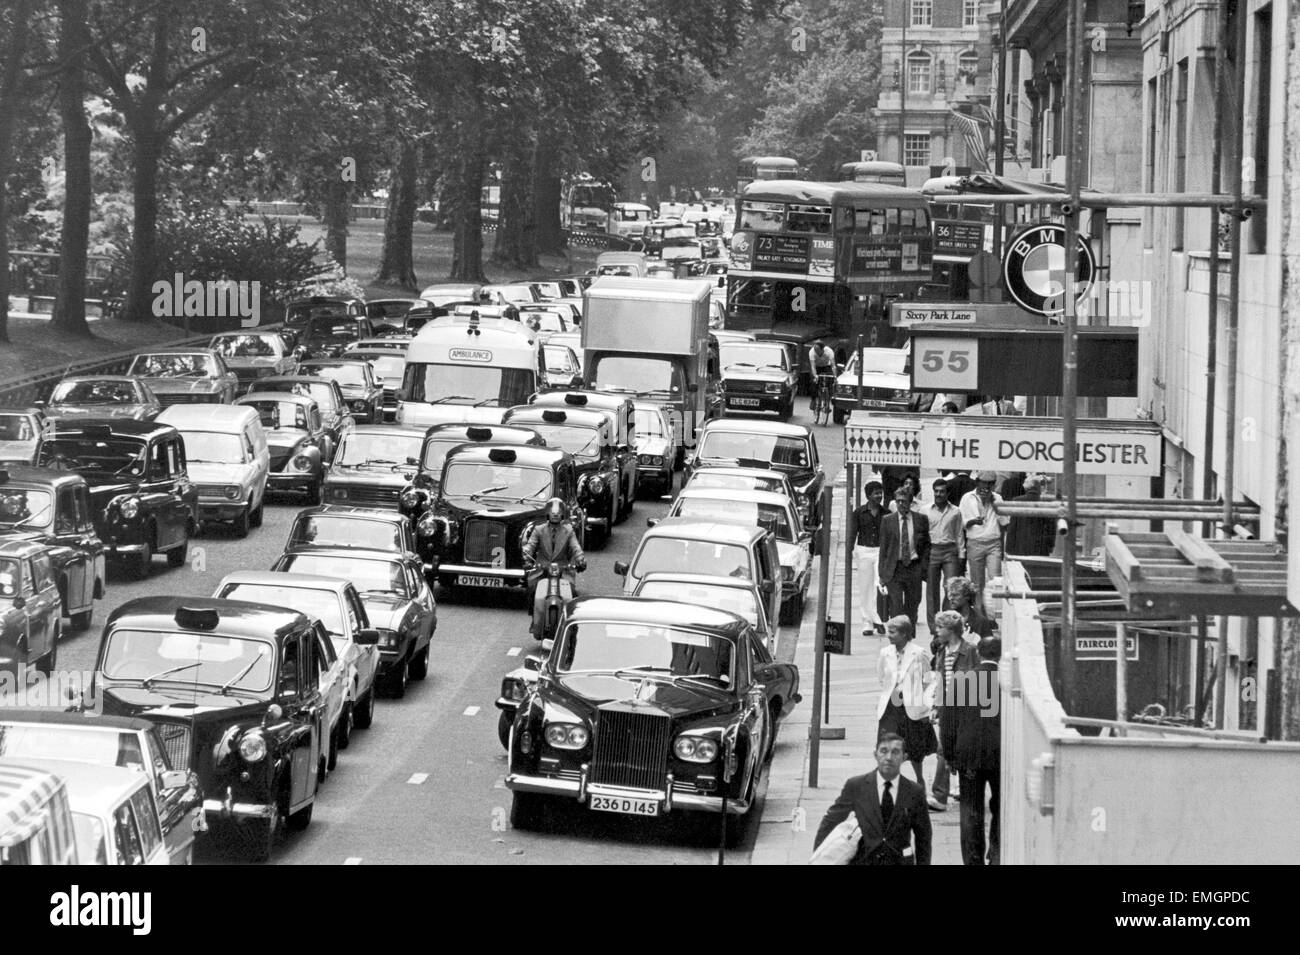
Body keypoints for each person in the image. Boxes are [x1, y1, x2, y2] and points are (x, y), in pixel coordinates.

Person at [813, 732, 932, 865]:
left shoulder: (914, 792)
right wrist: (819, 858)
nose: (888, 757)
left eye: (895, 752)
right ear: (875, 755)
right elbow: (830, 822)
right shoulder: (856, 786)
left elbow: (924, 838)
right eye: (883, 751)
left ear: (904, 757)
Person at [951, 637, 1001, 865]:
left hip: (968, 752)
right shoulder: (1007, 681)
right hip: (1000, 754)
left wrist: (951, 754)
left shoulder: (962, 680)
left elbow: (948, 722)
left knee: (971, 809)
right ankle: (997, 852)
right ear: (1001, 656)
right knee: (1000, 806)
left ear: (979, 654)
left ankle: (973, 860)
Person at [876, 616, 937, 796]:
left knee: (915, 749)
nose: (889, 635)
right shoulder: (885, 653)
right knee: (888, 747)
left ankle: (920, 780)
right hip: (891, 708)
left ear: (904, 634)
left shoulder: (919, 653)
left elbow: (929, 681)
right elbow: (882, 677)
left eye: (893, 632)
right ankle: (889, 785)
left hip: (911, 707)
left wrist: (927, 705)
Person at [929, 609, 980, 813]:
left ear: (952, 630)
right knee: (943, 749)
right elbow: (941, 679)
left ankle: (965, 792)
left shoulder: (971, 651)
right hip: (948, 708)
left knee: (964, 749)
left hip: (966, 708)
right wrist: (936, 705)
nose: (937, 631)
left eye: (940, 627)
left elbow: (979, 679)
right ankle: (940, 795)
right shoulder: (942, 651)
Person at [521, 497, 586, 639]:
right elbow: (530, 546)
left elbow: (576, 548)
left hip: (563, 569)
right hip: (541, 568)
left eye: (558, 512)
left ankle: (572, 625)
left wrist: (581, 560)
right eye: (552, 512)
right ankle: (535, 618)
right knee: (532, 590)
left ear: (563, 513)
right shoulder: (539, 530)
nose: (555, 514)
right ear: (548, 513)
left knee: (573, 594)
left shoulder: (569, 531)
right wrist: (526, 556)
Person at [959, 471, 1009, 616]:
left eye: (989, 484)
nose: (986, 487)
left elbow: (1005, 521)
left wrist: (994, 504)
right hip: (975, 543)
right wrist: (972, 521)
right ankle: (981, 617)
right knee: (977, 583)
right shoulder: (967, 498)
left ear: (993, 485)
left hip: (993, 543)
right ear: (977, 482)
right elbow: (961, 523)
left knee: (996, 580)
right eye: (983, 483)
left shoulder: (997, 498)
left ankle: (994, 615)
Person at [878, 488, 929, 627]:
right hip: (895, 568)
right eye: (898, 501)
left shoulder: (921, 519)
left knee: (913, 604)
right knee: (896, 604)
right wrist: (881, 574)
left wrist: (923, 567)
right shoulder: (888, 520)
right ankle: (897, 637)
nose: (901, 504)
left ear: (910, 502)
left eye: (904, 501)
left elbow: (926, 545)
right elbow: (883, 548)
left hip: (913, 567)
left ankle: (909, 636)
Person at [925, 479, 965, 634]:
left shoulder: (955, 511)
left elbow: (959, 533)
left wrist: (962, 554)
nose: (938, 494)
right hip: (932, 550)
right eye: (936, 491)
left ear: (948, 493)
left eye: (942, 491)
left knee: (951, 588)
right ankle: (934, 626)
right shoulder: (926, 510)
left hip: (950, 551)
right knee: (931, 590)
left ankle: (946, 621)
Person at [849, 479, 887, 636]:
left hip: (880, 551)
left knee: (880, 585)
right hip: (864, 550)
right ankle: (868, 622)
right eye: (876, 493)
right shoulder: (858, 513)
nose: (879, 496)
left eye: (880, 493)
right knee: (865, 587)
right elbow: (852, 534)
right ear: (868, 495)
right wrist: (849, 551)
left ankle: (877, 618)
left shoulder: (886, 513)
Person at [1006, 474, 1057, 557]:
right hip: (1041, 548)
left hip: (1020, 546)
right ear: (1040, 488)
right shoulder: (1047, 504)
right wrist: (1050, 546)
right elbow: (1051, 528)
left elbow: (1012, 526)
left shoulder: (1017, 501)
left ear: (1027, 488)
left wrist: (1009, 547)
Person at [945, 576, 995, 640]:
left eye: (955, 595)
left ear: (967, 596)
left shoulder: (981, 622)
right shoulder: (945, 619)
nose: (951, 598)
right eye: (950, 595)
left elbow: (989, 647)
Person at [807, 339, 836, 407]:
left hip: (826, 366)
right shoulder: (812, 352)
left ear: (822, 349)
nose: (816, 351)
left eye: (817, 350)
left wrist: (835, 376)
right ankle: (813, 400)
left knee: (830, 382)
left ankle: (827, 401)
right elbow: (813, 366)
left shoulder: (829, 351)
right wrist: (815, 375)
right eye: (815, 349)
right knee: (814, 382)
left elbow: (833, 365)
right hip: (817, 367)